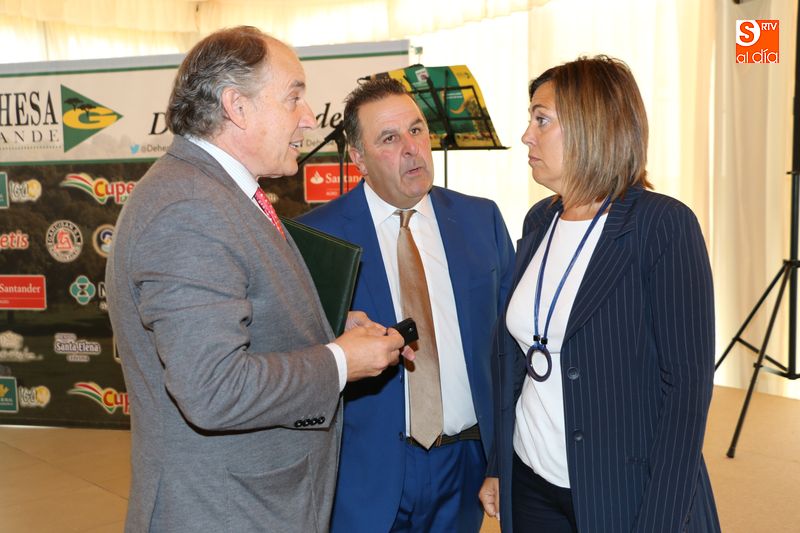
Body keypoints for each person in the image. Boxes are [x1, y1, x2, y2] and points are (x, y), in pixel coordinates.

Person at [106, 26, 409, 533]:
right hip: (225, 511)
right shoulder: (190, 208)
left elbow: (246, 315)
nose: (309, 117)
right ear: (237, 107)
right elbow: (214, 389)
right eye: (294, 97)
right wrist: (340, 361)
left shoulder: (217, 191)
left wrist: (329, 330)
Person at [479, 56, 721, 532]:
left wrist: (660, 521)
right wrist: (498, 464)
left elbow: (687, 394)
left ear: (591, 127)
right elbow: (517, 363)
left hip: (623, 489)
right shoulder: (539, 220)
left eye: (541, 119)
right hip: (530, 479)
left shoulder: (662, 225)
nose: (526, 136)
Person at [298, 78, 515, 533]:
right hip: (363, 474)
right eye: (389, 139)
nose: (412, 149)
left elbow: (509, 352)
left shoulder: (481, 220)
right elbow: (299, 358)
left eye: (416, 130)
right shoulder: (316, 239)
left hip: (464, 465)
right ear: (358, 158)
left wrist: (502, 460)